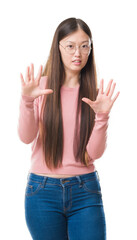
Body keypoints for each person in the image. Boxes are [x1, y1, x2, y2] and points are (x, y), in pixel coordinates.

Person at [18, 17, 120, 240]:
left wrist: (102, 116)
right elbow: (26, 138)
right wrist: (26, 101)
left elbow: (94, 154)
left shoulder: (95, 94)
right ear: (58, 48)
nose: (78, 54)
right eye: (71, 46)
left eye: (85, 46)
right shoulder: (40, 88)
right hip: (42, 192)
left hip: (85, 191)